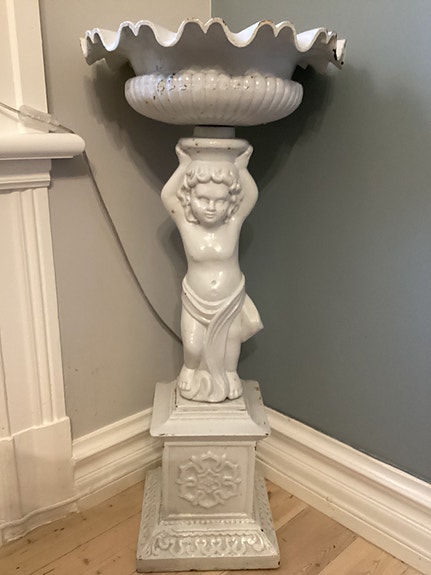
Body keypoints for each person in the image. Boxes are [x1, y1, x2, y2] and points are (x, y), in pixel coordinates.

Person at [161, 138, 262, 402]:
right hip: (195, 299)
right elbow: (168, 196)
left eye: (219, 201)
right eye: (203, 199)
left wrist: (242, 168)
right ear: (189, 197)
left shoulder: (232, 223)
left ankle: (229, 374)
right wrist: (184, 165)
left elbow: (250, 196)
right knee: (193, 347)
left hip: (229, 299)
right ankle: (189, 369)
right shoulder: (187, 225)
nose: (211, 207)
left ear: (230, 202)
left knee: (231, 344)